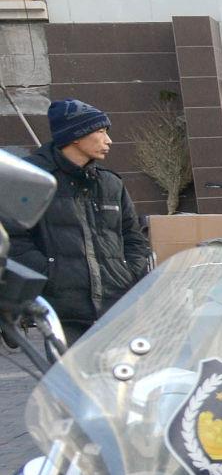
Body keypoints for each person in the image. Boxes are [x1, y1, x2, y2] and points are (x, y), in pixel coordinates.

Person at [29, 99, 149, 336]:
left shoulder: (111, 183)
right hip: (65, 315)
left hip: (118, 309)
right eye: (101, 131)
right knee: (69, 374)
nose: (109, 140)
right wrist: (48, 275)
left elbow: (133, 238)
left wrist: (131, 272)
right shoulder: (36, 181)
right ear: (76, 135)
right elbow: (15, 238)